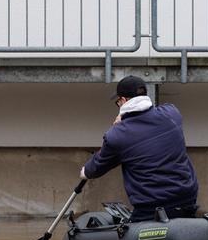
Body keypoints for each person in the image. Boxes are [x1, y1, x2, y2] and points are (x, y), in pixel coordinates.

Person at [80, 75, 199, 222]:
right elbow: (154, 114)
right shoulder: (172, 114)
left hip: (151, 207)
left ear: (123, 101)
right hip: (187, 198)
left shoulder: (117, 135)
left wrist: (84, 171)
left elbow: (95, 168)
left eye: (118, 102)